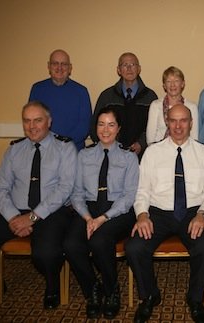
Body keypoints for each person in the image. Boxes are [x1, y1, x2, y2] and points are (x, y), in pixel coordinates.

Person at [0, 101, 77, 311]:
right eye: (27, 121)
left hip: (51, 212)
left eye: (38, 120)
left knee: (45, 254)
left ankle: (52, 287)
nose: (32, 126)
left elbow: (64, 189)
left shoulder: (64, 147)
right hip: (15, 211)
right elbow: (0, 187)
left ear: (49, 122)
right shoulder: (14, 150)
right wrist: (12, 217)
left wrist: (33, 217)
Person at [126, 104, 204, 323]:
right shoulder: (152, 152)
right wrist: (142, 215)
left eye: (183, 120)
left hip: (192, 213)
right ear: (167, 121)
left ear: (190, 123)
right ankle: (149, 295)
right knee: (134, 247)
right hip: (158, 213)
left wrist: (202, 214)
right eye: (173, 120)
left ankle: (195, 299)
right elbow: (142, 190)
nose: (178, 126)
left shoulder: (203, 152)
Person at [63, 106, 139, 319]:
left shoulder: (129, 157)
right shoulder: (84, 155)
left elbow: (129, 196)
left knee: (99, 240)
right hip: (89, 208)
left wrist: (102, 219)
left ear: (118, 128)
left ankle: (112, 290)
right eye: (101, 124)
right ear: (95, 127)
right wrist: (88, 217)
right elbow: (76, 193)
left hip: (118, 210)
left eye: (111, 125)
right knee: (71, 244)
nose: (106, 130)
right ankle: (92, 289)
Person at [90, 52, 157, 158]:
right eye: (125, 65)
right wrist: (111, 145)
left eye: (133, 65)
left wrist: (141, 144)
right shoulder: (107, 96)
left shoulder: (150, 97)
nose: (129, 69)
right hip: (111, 156)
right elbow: (95, 126)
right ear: (118, 70)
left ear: (139, 69)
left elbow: (154, 127)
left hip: (142, 157)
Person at [29, 49, 92, 150]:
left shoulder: (81, 91)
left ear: (70, 68)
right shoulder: (37, 89)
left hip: (73, 151)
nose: (59, 68)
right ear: (49, 66)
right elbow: (32, 122)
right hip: (44, 150)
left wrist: (63, 144)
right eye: (55, 63)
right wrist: (49, 145)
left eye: (64, 64)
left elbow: (84, 126)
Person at [146, 66, 198, 145]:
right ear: (164, 85)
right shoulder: (155, 106)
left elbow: (194, 138)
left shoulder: (191, 107)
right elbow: (150, 139)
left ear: (182, 84)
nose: (172, 85)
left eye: (176, 81)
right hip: (159, 151)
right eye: (168, 81)